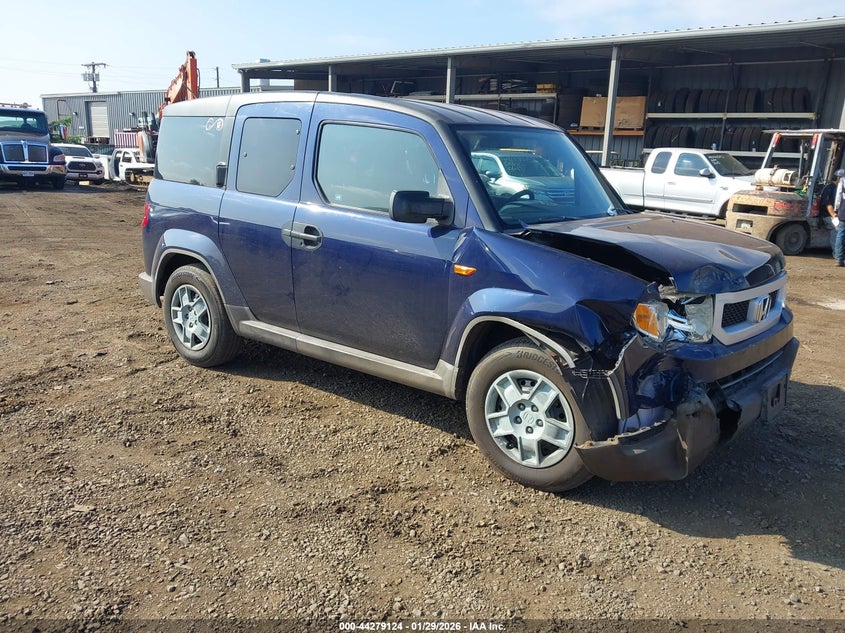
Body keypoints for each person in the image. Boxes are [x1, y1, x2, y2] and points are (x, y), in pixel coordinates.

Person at [833, 168, 845, 266]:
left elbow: (838, 196)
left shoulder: (843, 180)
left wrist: (836, 209)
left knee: (841, 233)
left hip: (844, 209)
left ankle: (839, 259)